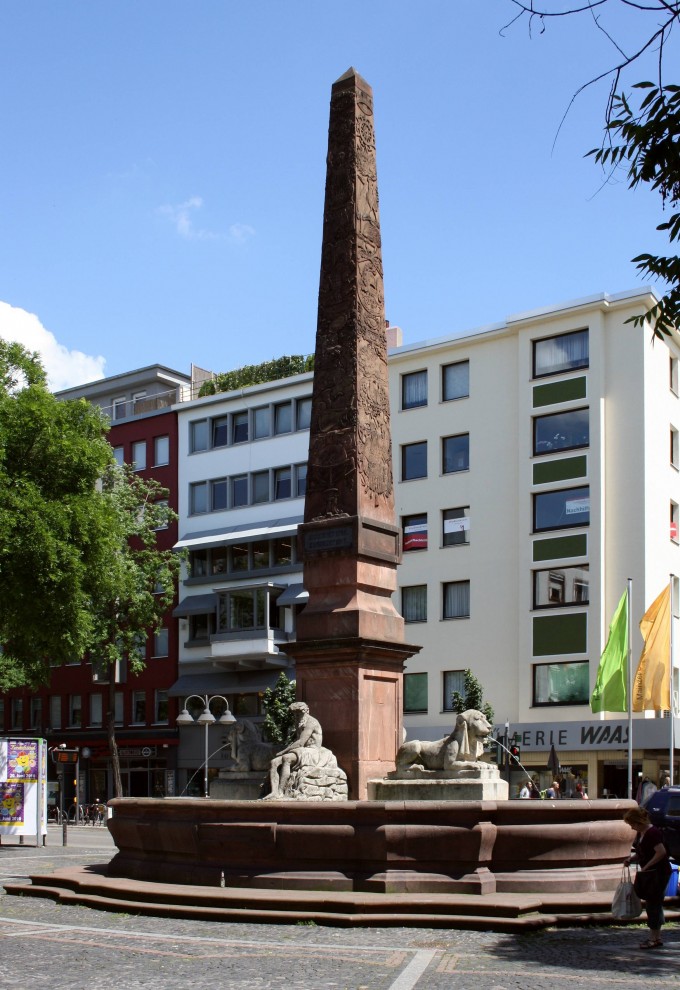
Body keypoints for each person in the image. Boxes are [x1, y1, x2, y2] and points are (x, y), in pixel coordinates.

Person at [623, 806, 672, 949]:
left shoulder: (652, 833)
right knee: (654, 903)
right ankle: (656, 936)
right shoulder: (642, 833)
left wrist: (647, 866)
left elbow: (661, 852)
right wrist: (631, 859)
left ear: (638, 822)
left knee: (653, 904)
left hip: (658, 873)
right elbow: (643, 852)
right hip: (652, 873)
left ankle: (654, 938)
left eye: (632, 824)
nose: (632, 828)